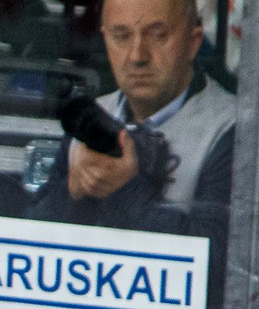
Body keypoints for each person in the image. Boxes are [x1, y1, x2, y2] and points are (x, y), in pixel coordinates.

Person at [32, 0, 235, 241]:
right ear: (105, 40)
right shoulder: (94, 115)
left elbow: (218, 260)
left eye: (158, 36)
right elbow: (31, 243)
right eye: (121, 37)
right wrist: (72, 190)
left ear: (193, 42)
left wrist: (126, 189)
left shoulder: (232, 128)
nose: (137, 56)